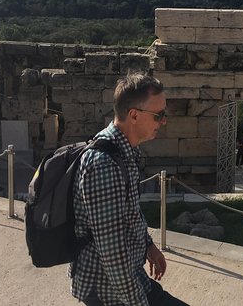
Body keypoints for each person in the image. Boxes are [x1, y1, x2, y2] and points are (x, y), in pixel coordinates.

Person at [70, 73, 188, 306]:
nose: (163, 121)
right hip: (107, 290)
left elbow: (129, 213)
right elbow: (112, 255)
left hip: (129, 279)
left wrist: (148, 245)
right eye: (159, 115)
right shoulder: (104, 164)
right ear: (134, 115)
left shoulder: (124, 151)